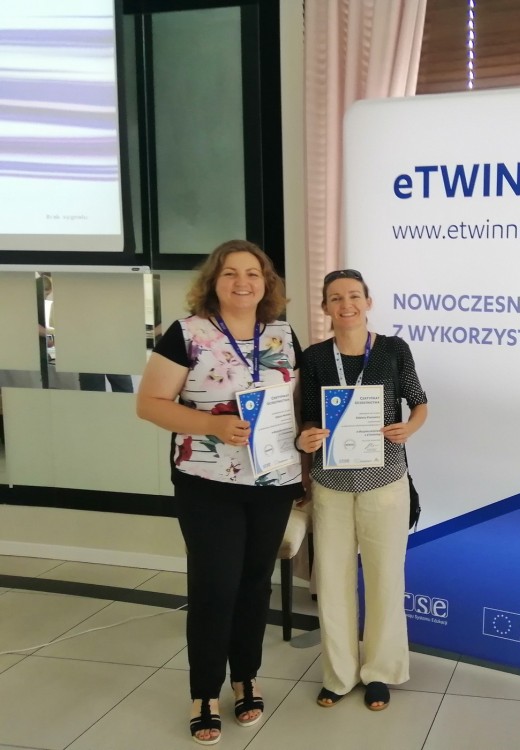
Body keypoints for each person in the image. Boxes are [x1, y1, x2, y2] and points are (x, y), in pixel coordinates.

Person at [136, 239, 303, 745]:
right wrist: (212, 425)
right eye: (230, 273)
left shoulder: (282, 334)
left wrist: (306, 460)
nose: (242, 282)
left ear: (266, 284)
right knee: (215, 587)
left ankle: (245, 677)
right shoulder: (187, 333)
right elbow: (150, 404)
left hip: (272, 480)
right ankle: (205, 692)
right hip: (208, 484)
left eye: (253, 273)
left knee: (255, 584)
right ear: (214, 281)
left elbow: (294, 406)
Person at [296, 268, 427, 711]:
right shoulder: (315, 356)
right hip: (331, 483)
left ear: (368, 302)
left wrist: (409, 428)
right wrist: (307, 437)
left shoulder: (393, 349)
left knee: (385, 579)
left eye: (354, 296)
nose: (346, 304)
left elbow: (419, 402)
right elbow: (309, 415)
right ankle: (339, 675)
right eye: (335, 298)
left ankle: (380, 672)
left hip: (384, 481)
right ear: (325, 307)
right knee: (332, 581)